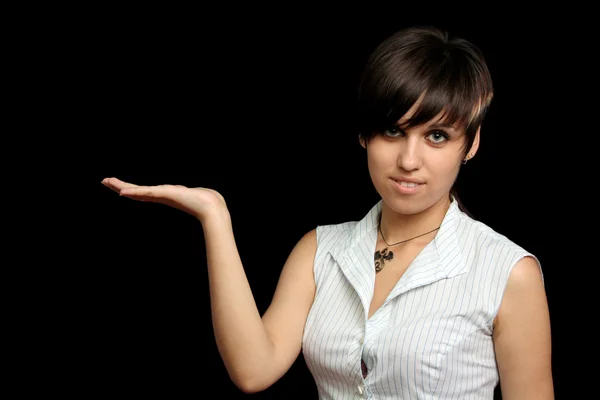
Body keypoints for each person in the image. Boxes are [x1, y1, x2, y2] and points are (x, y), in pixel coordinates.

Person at [101, 25, 553, 399]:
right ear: (364, 135)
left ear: (470, 144)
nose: (409, 160)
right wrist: (214, 215)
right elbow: (253, 369)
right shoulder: (321, 250)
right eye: (393, 131)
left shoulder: (507, 271)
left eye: (436, 136)